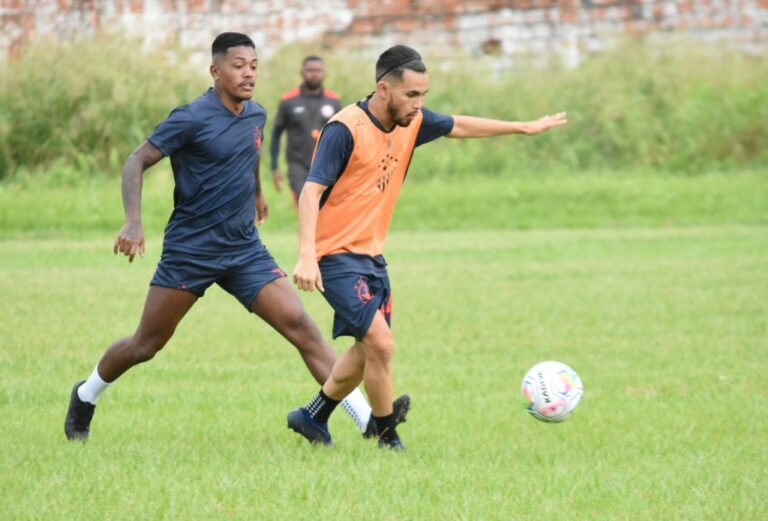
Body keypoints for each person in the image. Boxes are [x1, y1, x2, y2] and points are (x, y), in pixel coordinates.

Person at [64, 33, 410, 442]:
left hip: (245, 250)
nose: (248, 73)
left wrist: (258, 194)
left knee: (302, 325)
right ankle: (86, 395)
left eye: (254, 65)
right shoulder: (191, 117)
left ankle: (367, 421)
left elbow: (252, 153)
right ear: (215, 71)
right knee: (146, 344)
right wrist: (133, 222)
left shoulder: (256, 114)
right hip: (191, 252)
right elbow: (135, 160)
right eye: (238, 65)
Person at [287, 45, 567, 450]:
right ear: (383, 89)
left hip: (371, 256)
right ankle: (387, 437)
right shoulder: (345, 128)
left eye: (424, 95)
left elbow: (461, 126)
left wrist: (523, 127)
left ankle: (313, 416)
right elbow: (311, 192)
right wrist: (307, 254)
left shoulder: (411, 122)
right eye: (411, 95)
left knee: (367, 352)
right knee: (382, 344)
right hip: (334, 257)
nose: (419, 105)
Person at [270, 55, 342, 205]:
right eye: (310, 70)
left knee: (324, 212)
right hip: (298, 167)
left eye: (318, 70)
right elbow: (276, 134)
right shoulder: (288, 101)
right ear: (302, 72)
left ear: (324, 73)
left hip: (325, 165)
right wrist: (274, 167)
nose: (314, 74)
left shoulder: (334, 101)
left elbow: (341, 137)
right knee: (306, 205)